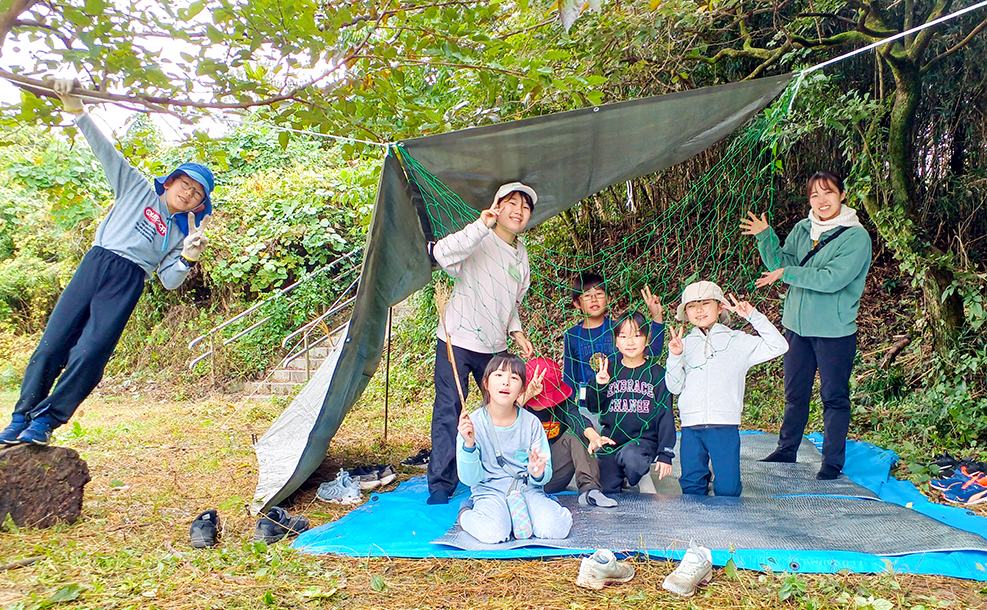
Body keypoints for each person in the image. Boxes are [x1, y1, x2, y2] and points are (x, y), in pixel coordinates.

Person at [0, 78, 214, 446]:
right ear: (170, 181)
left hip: (129, 281)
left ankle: (45, 422)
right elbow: (104, 150)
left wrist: (187, 257)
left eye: (196, 195)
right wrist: (76, 108)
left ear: (198, 206)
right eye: (186, 184)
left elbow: (169, 281)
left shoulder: (180, 234)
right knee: (52, 345)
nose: (188, 193)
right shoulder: (134, 186)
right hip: (97, 263)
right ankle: (21, 417)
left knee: (90, 352)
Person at [740, 171, 872, 479]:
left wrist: (788, 272)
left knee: (834, 397)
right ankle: (787, 450)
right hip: (797, 327)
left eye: (827, 193)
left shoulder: (855, 236)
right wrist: (766, 236)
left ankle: (831, 462)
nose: (821, 201)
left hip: (834, 331)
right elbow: (780, 263)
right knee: (795, 393)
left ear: (841, 195)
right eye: (815, 195)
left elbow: (832, 279)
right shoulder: (803, 228)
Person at [427, 182, 537, 505]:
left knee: (501, 409)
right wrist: (481, 224)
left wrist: (516, 330)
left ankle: (498, 472)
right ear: (498, 207)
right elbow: (441, 254)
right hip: (457, 339)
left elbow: (510, 302)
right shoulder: (478, 237)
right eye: (511, 203)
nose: (518, 211)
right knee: (450, 410)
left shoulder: (522, 256)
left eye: (525, 207)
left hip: (495, 346)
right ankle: (441, 484)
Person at [665, 281, 788, 497]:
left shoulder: (737, 341)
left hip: (724, 425)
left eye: (705, 303)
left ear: (720, 307)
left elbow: (779, 346)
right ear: (685, 312)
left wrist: (753, 316)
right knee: (692, 487)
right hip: (691, 427)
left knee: (728, 490)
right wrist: (675, 357)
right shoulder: (683, 344)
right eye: (692, 305)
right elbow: (674, 387)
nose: (699, 310)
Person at [456, 354, 573, 543]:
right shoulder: (472, 424)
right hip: (489, 491)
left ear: (522, 389)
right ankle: (465, 513)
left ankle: (544, 507)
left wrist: (537, 473)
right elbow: (469, 479)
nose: (506, 383)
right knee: (494, 534)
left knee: (557, 529)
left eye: (514, 378)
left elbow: (545, 473)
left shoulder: (532, 424)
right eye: (499, 375)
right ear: (486, 383)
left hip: (527, 489)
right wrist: (468, 445)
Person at [591, 310, 676, 495]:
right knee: (606, 488)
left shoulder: (657, 373)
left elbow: (666, 415)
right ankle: (619, 472)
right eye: (623, 336)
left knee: (631, 458)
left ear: (646, 339)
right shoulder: (607, 369)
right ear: (616, 341)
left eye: (637, 335)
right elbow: (592, 406)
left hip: (643, 443)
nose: (630, 342)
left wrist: (665, 453)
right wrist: (600, 385)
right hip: (611, 442)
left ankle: (636, 471)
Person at [563, 273, 665, 424]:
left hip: (620, 403)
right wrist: (568, 413)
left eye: (599, 294)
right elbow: (569, 376)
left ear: (609, 299)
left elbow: (653, 351)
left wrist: (657, 316)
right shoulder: (572, 335)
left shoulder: (619, 329)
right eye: (587, 295)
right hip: (587, 406)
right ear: (577, 303)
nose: (594, 299)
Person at [519, 358, 617, 507]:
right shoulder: (514, 404)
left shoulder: (562, 402)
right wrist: (526, 397)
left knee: (575, 435)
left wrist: (594, 437)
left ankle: (589, 491)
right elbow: (499, 418)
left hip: (552, 475)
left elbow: (577, 419)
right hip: (518, 479)